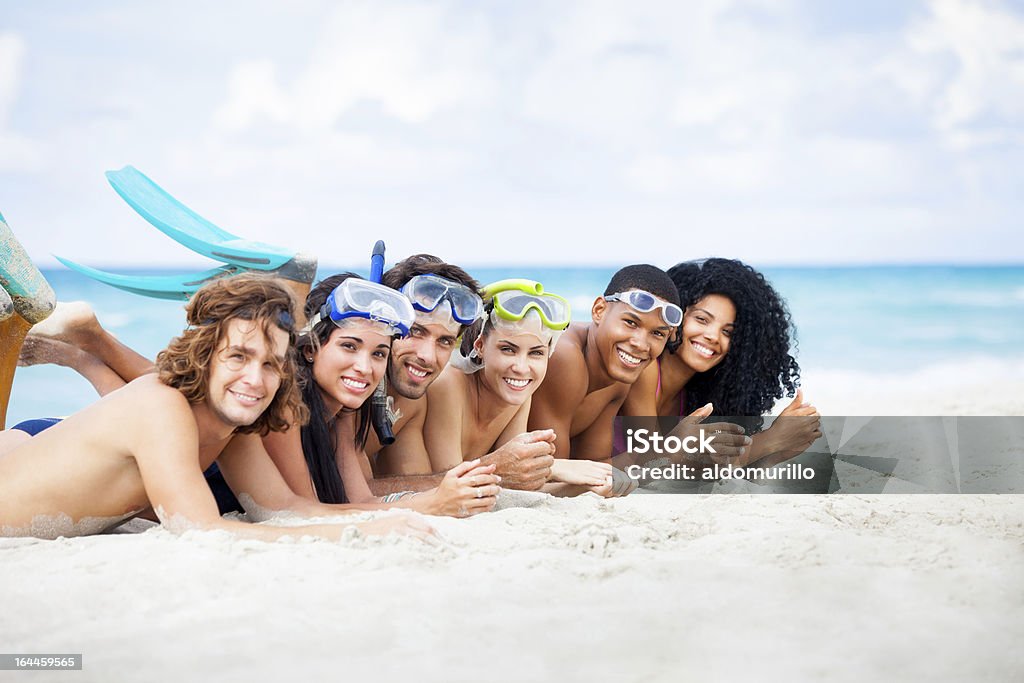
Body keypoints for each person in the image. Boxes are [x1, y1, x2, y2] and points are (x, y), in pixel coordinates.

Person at [0, 274, 432, 541]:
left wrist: (378, 522)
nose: (255, 379)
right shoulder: (160, 405)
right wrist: (356, 531)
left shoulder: (235, 428)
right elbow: (201, 530)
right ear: (205, 354)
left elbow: (283, 510)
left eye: (270, 363)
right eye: (238, 356)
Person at [259, 273, 501, 517]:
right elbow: (305, 511)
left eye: (378, 353)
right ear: (311, 348)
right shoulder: (286, 401)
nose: (364, 368)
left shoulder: (344, 411)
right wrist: (432, 503)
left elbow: (362, 501)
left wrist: (437, 499)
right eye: (349, 346)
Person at [527, 264, 750, 466]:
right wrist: (667, 449)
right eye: (630, 322)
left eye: (657, 333)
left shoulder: (619, 375)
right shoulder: (565, 356)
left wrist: (671, 449)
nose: (641, 344)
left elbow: (594, 465)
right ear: (599, 310)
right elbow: (550, 473)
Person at [367, 255, 556, 491]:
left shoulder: (408, 403)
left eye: (445, 341)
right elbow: (350, 495)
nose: (428, 355)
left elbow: (422, 492)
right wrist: (496, 467)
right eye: (415, 331)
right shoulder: (350, 394)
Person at [620, 258, 820, 468]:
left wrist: (776, 452)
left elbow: (697, 470)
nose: (713, 336)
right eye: (702, 319)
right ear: (674, 318)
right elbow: (651, 464)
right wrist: (770, 440)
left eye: (727, 332)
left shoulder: (695, 398)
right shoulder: (646, 369)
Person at [423, 280, 615, 495]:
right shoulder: (448, 384)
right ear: (480, 346)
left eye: (536, 353)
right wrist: (556, 467)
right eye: (508, 349)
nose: (521, 368)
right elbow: (452, 485)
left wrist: (585, 487)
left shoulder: (520, 394)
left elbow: (514, 484)